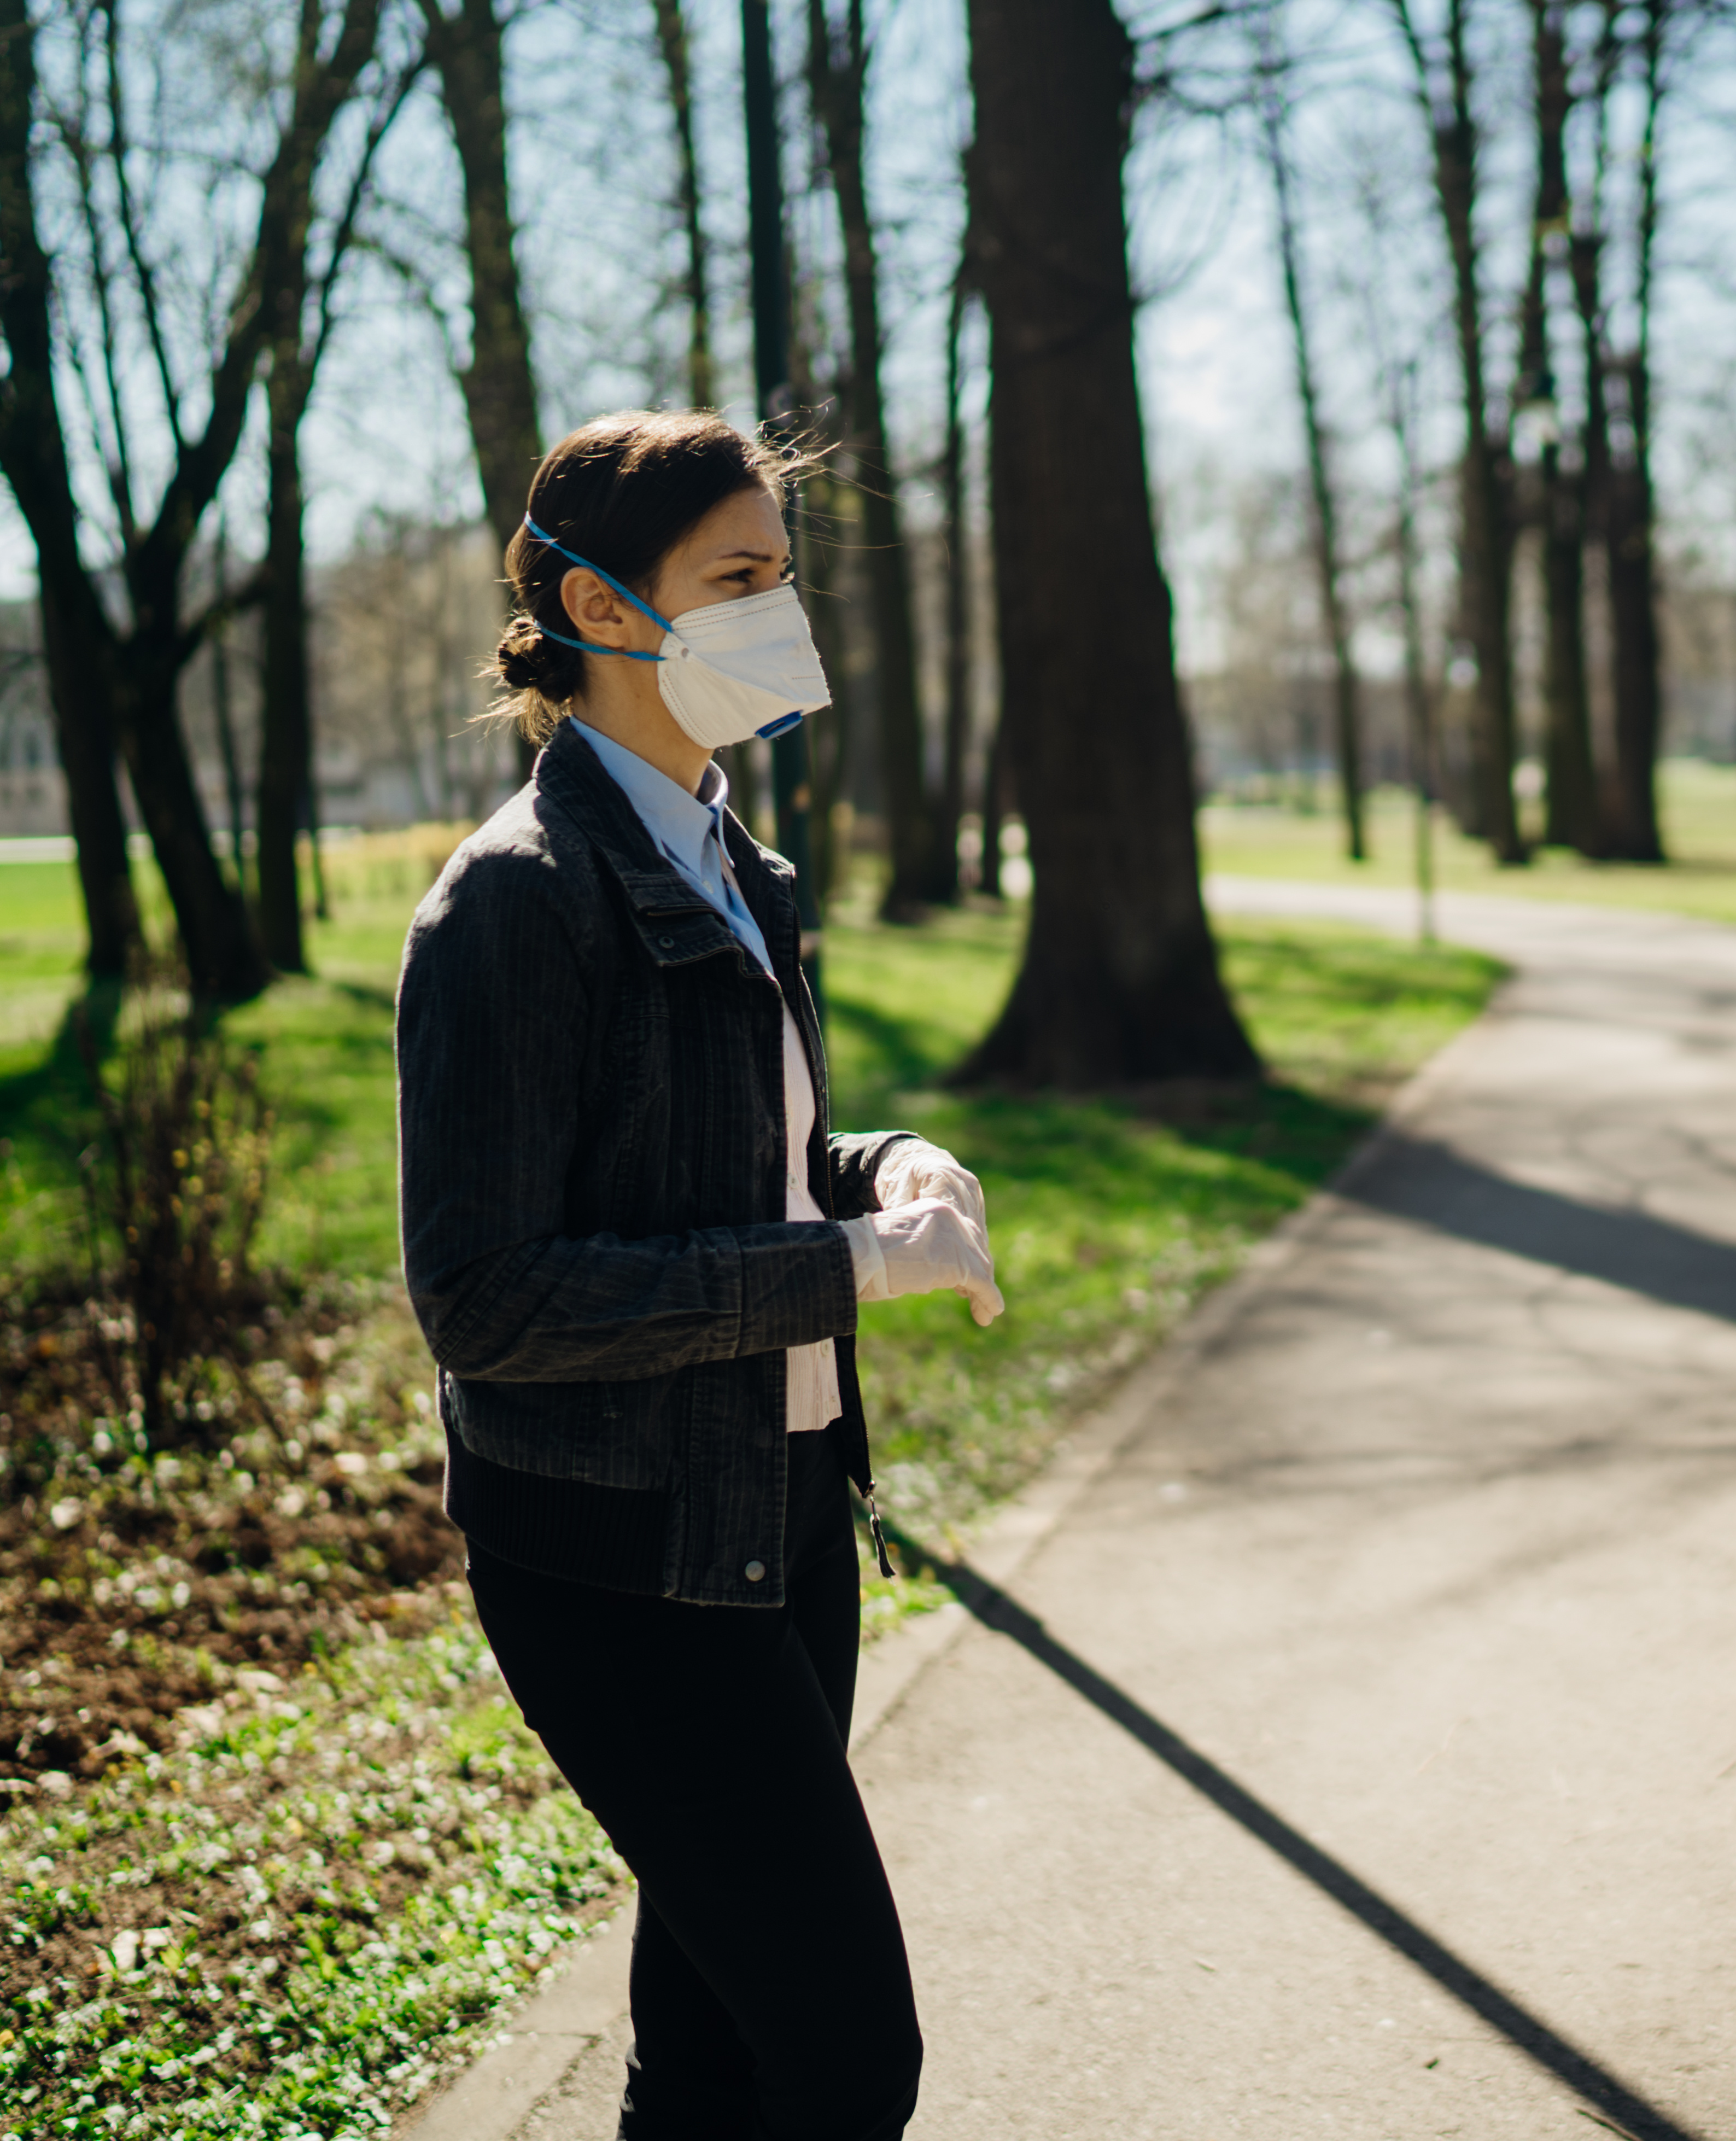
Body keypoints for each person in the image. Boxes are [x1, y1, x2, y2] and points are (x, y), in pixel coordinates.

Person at [396, 410, 1006, 2141]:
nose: (781, 615)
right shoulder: (516, 901)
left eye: (784, 577)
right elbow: (491, 1299)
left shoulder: (738, 864)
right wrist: (837, 1270)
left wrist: (880, 1171)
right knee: (844, 2060)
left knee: (720, 2052)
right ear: (600, 607)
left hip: (787, 1512)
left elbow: (724, 1164)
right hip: (623, 1569)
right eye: (737, 579)